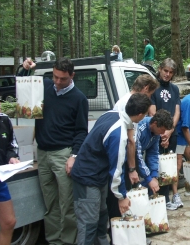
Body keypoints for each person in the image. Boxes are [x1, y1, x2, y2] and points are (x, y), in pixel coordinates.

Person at [21, 57, 88, 245]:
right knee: (50, 203)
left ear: (72, 76)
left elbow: (81, 131)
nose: (58, 82)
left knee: (66, 204)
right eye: (55, 77)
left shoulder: (79, 98)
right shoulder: (46, 86)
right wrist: (25, 70)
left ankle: (68, 241)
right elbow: (23, 89)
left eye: (63, 79)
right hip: (42, 152)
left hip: (63, 153)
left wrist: (74, 156)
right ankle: (53, 241)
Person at [71, 93, 152, 245]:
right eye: (146, 113)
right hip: (87, 176)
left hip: (99, 176)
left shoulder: (111, 114)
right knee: (88, 223)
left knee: (102, 217)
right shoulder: (119, 135)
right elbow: (116, 171)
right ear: (140, 114)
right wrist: (121, 197)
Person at [107, 74, 159, 220]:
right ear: (145, 88)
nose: (149, 99)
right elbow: (131, 141)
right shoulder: (126, 104)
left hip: (126, 160)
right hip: (121, 160)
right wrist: (132, 169)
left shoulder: (126, 101)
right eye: (150, 95)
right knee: (120, 200)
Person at [148, 58, 181, 210]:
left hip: (170, 133)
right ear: (160, 69)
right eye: (165, 71)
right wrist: (162, 132)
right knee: (157, 164)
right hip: (157, 133)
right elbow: (152, 111)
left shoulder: (174, 89)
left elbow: (177, 112)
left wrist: (169, 130)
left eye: (171, 72)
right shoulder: (153, 87)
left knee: (169, 166)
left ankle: (169, 197)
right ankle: (159, 198)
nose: (167, 74)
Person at [135, 110, 174, 195]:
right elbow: (136, 155)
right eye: (162, 130)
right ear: (155, 123)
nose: (163, 133)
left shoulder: (156, 133)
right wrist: (149, 178)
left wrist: (154, 174)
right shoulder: (140, 128)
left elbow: (153, 153)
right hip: (127, 159)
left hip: (137, 159)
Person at [0, 101, 19, 245]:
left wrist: (11, 157)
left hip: (0, 177)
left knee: (9, 222)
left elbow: (11, 145)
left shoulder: (4, 120)